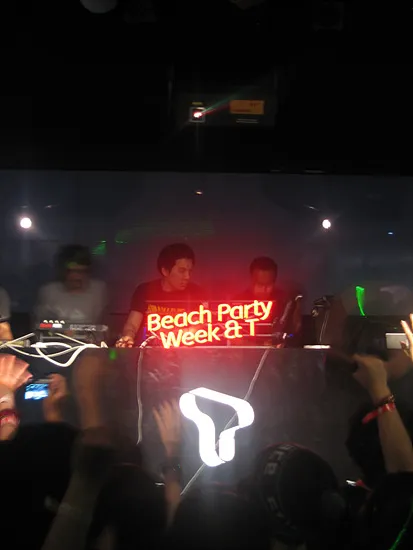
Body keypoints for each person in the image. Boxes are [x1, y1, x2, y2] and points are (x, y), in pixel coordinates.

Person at [116, 243, 204, 347]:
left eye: (190, 271)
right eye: (182, 271)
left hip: (185, 352)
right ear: (165, 271)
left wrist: (174, 336)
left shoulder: (195, 293)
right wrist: (128, 337)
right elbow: (132, 324)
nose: (187, 276)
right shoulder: (145, 290)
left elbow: (198, 326)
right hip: (148, 352)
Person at [235, 257, 302, 346]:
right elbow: (233, 340)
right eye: (260, 285)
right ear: (251, 280)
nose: (264, 289)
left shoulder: (284, 303)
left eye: (269, 285)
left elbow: (293, 334)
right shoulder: (236, 305)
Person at [34, 245, 107, 325]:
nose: (78, 276)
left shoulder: (99, 290)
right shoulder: (49, 292)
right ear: (63, 271)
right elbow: (40, 325)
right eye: (72, 271)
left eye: (82, 272)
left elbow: (107, 324)